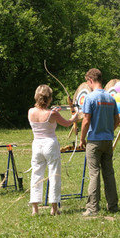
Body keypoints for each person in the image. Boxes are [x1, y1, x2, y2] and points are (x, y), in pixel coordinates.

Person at [28, 85, 78, 216]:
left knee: (36, 175)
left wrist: (53, 111)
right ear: (49, 98)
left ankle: (35, 209)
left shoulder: (31, 111)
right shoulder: (52, 113)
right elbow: (67, 123)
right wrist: (76, 116)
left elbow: (43, 114)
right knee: (54, 175)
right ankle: (54, 208)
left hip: (37, 144)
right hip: (50, 144)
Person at [79, 68, 120, 216]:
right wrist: (109, 130)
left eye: (87, 82)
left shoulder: (90, 98)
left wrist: (82, 139)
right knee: (109, 173)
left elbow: (86, 121)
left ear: (90, 80)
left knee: (94, 174)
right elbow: (117, 121)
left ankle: (92, 208)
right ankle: (113, 206)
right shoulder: (111, 98)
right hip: (108, 141)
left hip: (94, 142)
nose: (88, 86)